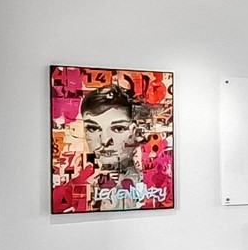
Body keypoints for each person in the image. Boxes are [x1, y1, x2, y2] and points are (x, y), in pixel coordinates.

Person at [52, 83, 173, 212]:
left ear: (136, 132)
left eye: (118, 128)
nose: (105, 141)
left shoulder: (154, 184)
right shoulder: (77, 184)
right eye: (93, 128)